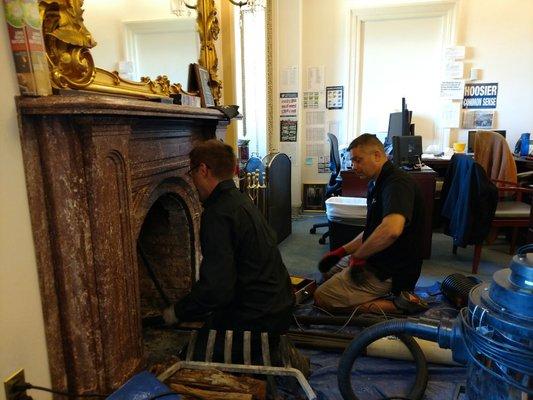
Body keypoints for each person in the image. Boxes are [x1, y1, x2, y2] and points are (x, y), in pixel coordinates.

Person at [162, 139, 295, 360]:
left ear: (203, 170)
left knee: (187, 360)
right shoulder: (241, 201)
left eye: (191, 173)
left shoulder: (217, 214)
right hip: (280, 308)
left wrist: (177, 312)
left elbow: (217, 288)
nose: (192, 181)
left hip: (258, 322)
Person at [314, 134, 425, 313]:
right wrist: (342, 252)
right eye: (353, 161)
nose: (354, 166)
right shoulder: (376, 184)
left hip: (392, 270)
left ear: (377, 156)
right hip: (377, 258)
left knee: (321, 297)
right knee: (328, 272)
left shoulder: (397, 183)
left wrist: (358, 256)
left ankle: (399, 306)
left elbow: (391, 230)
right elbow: (373, 232)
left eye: (359, 160)